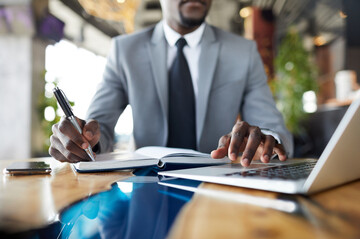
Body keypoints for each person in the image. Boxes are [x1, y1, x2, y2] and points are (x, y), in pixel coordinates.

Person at [49, 0, 293, 167]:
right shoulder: (125, 50)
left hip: (218, 186)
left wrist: (266, 140)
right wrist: (83, 140)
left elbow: (273, 127)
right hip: (147, 186)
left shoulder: (243, 52)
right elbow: (99, 126)